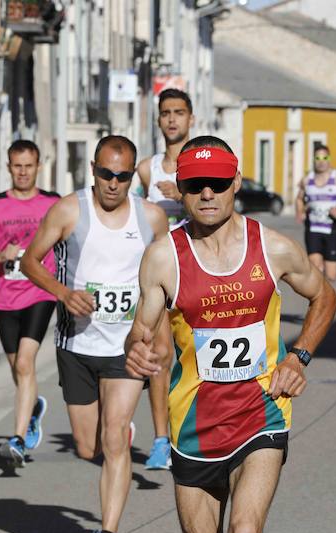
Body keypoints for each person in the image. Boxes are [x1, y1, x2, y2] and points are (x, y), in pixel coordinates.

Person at [124, 135, 336, 533]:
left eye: (217, 183)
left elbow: (325, 295)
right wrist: (135, 351)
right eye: (196, 184)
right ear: (180, 188)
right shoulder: (163, 257)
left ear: (236, 183)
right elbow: (140, 334)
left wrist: (299, 355)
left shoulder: (273, 248)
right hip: (194, 424)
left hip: (262, 411)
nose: (207, 193)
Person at [21, 135, 169, 533]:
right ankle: (114, 432)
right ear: (93, 169)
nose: (114, 184)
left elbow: (164, 279)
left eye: (123, 177)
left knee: (113, 440)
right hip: (76, 347)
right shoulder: (69, 211)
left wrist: (160, 337)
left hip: (127, 347)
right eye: (106, 174)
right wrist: (63, 294)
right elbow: (31, 261)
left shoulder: (152, 218)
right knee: (89, 447)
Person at [0, 139, 58, 467]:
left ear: (38, 167)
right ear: (8, 167)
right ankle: (31, 409)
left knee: (25, 364)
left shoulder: (53, 204)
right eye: (17, 166)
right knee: (17, 366)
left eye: (28, 166)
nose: (22, 172)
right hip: (5, 296)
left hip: (40, 292)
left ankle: (17, 438)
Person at [136, 88, 194, 470]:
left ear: (191, 118)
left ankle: (191, 433)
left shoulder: (201, 163)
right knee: (159, 355)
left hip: (195, 269)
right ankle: (161, 440)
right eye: (165, 113)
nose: (172, 119)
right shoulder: (146, 168)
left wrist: (183, 192)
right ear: (158, 120)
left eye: (179, 112)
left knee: (194, 356)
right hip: (158, 273)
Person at [294, 144, 336, 281]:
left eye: (324, 157)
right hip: (313, 228)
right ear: (314, 160)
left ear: (329, 159)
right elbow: (299, 199)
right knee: (315, 269)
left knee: (331, 275)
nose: (321, 161)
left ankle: (326, 296)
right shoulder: (307, 180)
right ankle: (320, 298)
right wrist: (300, 211)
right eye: (318, 158)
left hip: (332, 229)